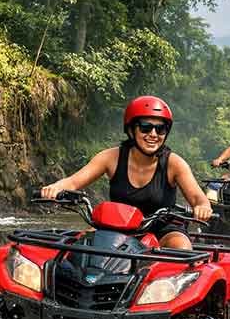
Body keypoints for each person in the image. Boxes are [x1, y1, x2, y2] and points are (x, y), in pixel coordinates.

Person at [40, 95, 211, 250]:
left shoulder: (174, 163)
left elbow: (198, 199)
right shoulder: (111, 157)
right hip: (117, 226)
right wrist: (55, 188)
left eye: (160, 129)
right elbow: (73, 182)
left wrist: (202, 207)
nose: (153, 134)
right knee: (83, 244)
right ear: (131, 130)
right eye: (145, 127)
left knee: (181, 246)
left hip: (164, 229)